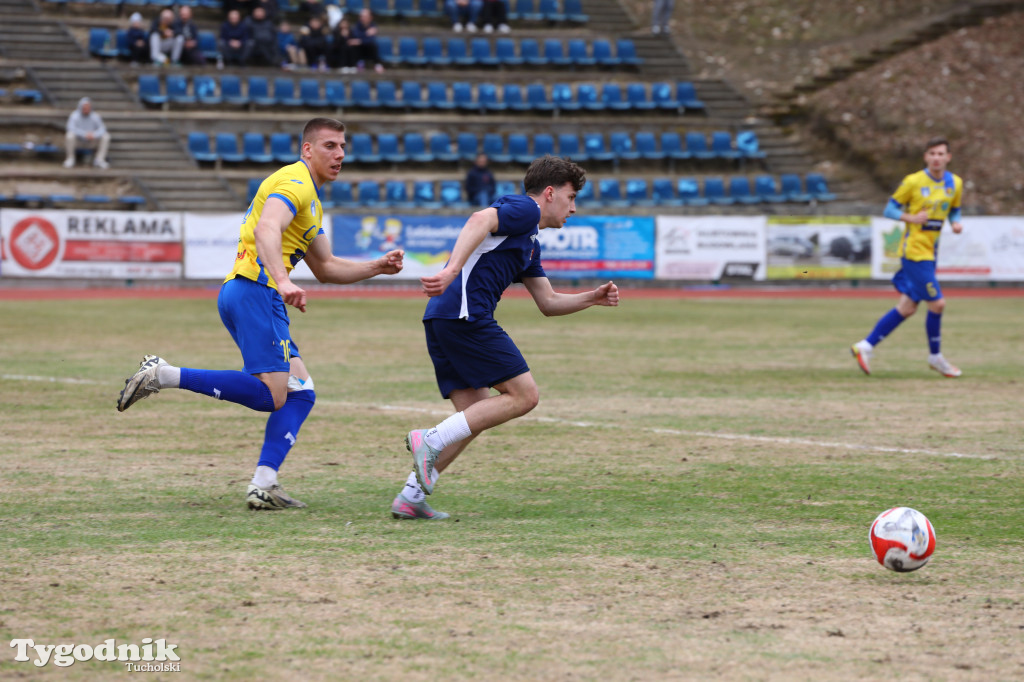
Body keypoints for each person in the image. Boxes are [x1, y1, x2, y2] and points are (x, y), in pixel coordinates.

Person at [116, 118, 405, 511]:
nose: (339, 154)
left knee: (300, 392)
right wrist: (283, 281)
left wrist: (377, 267)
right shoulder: (296, 183)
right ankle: (163, 374)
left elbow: (327, 267)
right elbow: (267, 228)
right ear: (307, 149)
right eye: (329, 146)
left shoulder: (311, 200)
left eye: (342, 147)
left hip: (246, 291)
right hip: (257, 291)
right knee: (273, 395)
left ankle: (264, 484)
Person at [389, 155, 620, 520]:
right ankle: (428, 439)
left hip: (444, 317)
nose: (573, 208)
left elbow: (548, 302)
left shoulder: (530, 242)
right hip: (466, 316)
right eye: (571, 197)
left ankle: (410, 498)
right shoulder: (525, 210)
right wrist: (450, 270)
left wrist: (592, 298)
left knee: (472, 418)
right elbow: (480, 219)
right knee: (525, 395)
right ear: (549, 193)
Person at [851, 136, 964, 378]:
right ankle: (935, 357)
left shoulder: (955, 183)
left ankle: (865, 346)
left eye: (941, 153)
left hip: (931, 252)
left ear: (948, 157)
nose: (936, 158)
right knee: (938, 303)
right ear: (926, 157)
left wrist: (955, 223)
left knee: (908, 307)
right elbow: (890, 209)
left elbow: (954, 208)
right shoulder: (913, 182)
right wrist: (910, 218)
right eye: (932, 153)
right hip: (913, 252)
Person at [63, 97, 110, 169]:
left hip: (91, 141)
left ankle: (99, 160)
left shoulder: (95, 116)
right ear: (80, 107)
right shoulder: (74, 116)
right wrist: (84, 134)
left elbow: (102, 129)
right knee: (69, 135)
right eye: (84, 107)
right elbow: (70, 128)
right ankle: (70, 159)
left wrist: (94, 134)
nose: (86, 109)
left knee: (106, 136)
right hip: (78, 141)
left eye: (88, 107)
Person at [350, 8, 384, 73]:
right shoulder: (357, 25)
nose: (362, 18)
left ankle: (377, 64)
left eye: (364, 16)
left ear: (370, 17)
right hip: (359, 49)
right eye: (361, 16)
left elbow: (370, 39)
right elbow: (356, 35)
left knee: (373, 45)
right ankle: (358, 63)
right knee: (353, 46)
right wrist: (366, 34)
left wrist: (360, 41)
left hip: (368, 49)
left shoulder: (373, 25)